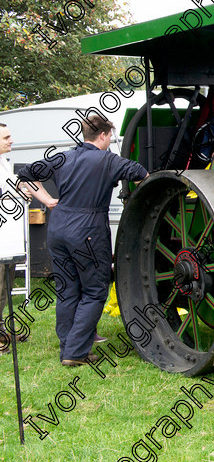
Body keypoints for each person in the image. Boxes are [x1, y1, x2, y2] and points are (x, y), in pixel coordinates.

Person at [18, 114, 148, 366]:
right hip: (87, 230)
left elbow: (25, 174)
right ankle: (75, 353)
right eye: (110, 136)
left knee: (67, 290)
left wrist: (46, 200)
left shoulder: (63, 157)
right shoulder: (108, 160)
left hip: (58, 228)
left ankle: (70, 346)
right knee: (94, 290)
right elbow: (140, 173)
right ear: (102, 136)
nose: (111, 140)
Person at [0, 123, 49, 353]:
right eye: (6, 137)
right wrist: (15, 194)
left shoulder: (4, 163)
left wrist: (21, 192)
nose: (11, 141)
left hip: (8, 239)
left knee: (5, 286)